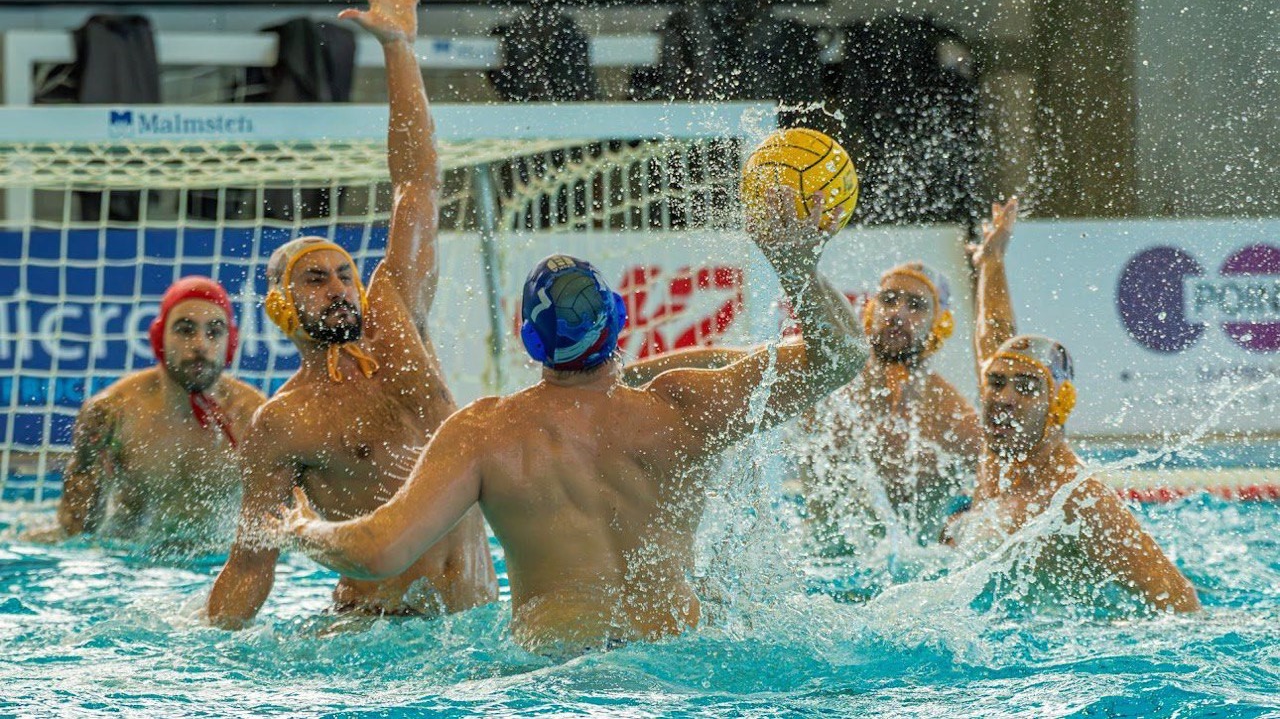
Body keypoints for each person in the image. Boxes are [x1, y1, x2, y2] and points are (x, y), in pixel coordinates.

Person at [278, 188, 868, 655]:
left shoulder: (487, 433)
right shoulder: (683, 407)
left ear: (530, 344)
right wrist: (795, 264)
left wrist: (302, 528)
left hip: (555, 669)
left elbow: (379, 551)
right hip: (681, 654)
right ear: (618, 323)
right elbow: (840, 356)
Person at [205, 0, 496, 628]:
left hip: (475, 626)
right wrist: (194, 656)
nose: (339, 287)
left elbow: (417, 187)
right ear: (282, 306)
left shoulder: (396, 316)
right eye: (316, 279)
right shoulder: (280, 424)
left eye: (344, 273)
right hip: (376, 635)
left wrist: (399, 48)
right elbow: (251, 563)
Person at [946, 197, 1199, 613]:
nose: (1003, 398)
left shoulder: (1079, 499)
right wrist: (992, 261)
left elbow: (1179, 601)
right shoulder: (1003, 449)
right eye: (995, 383)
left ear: (1058, 405)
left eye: (1027, 387)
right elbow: (993, 336)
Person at [24, 276, 264, 555]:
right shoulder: (113, 412)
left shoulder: (255, 416)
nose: (200, 344)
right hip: (128, 561)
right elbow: (76, 532)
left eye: (214, 331)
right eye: (185, 330)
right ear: (160, 337)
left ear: (231, 341)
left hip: (217, 563)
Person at [800, 261, 983, 548]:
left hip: (906, 581)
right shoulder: (829, 383)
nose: (898, 313)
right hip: (817, 567)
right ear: (871, 311)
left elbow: (1005, 489)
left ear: (940, 324)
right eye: (888, 300)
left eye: (916, 305)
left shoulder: (953, 417)